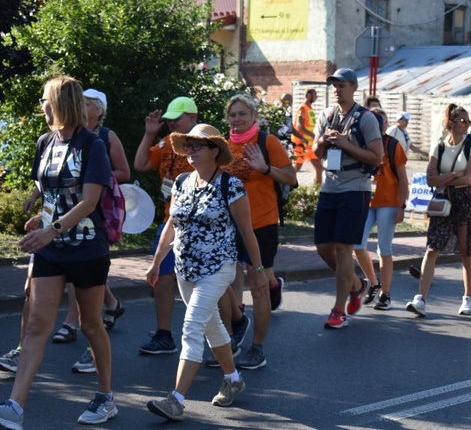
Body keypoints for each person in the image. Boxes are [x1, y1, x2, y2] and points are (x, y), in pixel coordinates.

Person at [0, 76, 117, 429]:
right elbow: (54, 195)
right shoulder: (44, 142)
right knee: (36, 324)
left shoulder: (91, 145)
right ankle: (14, 407)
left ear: (60, 103)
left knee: (91, 324)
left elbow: (90, 200)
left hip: (86, 249)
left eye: (45, 99)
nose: (41, 105)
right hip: (52, 248)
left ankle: (105, 396)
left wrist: (52, 229)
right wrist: (43, 218)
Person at [145, 124, 260, 421]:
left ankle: (176, 399)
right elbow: (171, 225)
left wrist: (257, 270)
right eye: (189, 145)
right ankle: (233, 380)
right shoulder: (182, 181)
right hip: (185, 267)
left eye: (198, 145)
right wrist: (157, 262)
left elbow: (247, 230)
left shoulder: (230, 185)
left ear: (213, 151)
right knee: (212, 327)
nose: (191, 150)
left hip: (219, 267)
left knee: (192, 327)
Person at [48, 88, 131, 374]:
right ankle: (91, 314)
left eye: (86, 103)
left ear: (98, 109)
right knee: (77, 276)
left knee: (85, 274)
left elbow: (124, 171)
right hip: (63, 220)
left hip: (95, 215)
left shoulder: (104, 137)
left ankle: (86, 337)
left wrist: (94, 178)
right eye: (79, 102)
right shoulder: (62, 137)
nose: (80, 106)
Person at [221, 93, 297, 369]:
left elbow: (291, 177)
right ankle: (234, 329)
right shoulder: (223, 145)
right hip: (229, 225)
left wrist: (265, 169)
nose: (237, 119)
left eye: (243, 114)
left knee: (258, 286)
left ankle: (257, 348)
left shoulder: (267, 142)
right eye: (233, 115)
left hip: (261, 224)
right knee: (224, 283)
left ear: (253, 116)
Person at [312, 68, 384, 329]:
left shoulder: (366, 118)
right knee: (323, 247)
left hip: (356, 189)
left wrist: (345, 143)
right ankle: (356, 284)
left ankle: (337, 310)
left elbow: (377, 157)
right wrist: (323, 140)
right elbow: (315, 152)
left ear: (354, 87)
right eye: (334, 85)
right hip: (329, 188)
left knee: (344, 249)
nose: (336, 89)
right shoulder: (326, 115)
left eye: (341, 85)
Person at [133, 96, 198, 354]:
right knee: (161, 275)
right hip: (170, 220)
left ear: (192, 117)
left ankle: (230, 327)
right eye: (169, 119)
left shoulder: (205, 143)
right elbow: (140, 165)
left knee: (204, 280)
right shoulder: (164, 144)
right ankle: (164, 334)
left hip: (199, 224)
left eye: (177, 119)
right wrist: (149, 134)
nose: (172, 124)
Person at [405, 104, 471, 317]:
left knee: (465, 251)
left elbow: (468, 178)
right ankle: (420, 299)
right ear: (451, 123)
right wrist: (451, 176)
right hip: (443, 202)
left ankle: (468, 299)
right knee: (432, 248)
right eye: (463, 121)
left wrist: (443, 178)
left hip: (464, 203)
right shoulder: (439, 146)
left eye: (469, 121)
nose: (467, 124)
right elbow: (430, 179)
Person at [353, 108, 409, 311]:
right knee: (357, 245)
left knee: (384, 249)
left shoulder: (393, 144)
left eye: (382, 121)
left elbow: (403, 178)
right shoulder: (360, 143)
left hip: (388, 201)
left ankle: (385, 294)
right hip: (366, 201)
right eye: (375, 121)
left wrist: (402, 205)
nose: (379, 125)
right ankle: (373, 283)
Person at [291, 89, 323, 185]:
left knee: (319, 167)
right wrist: (312, 135)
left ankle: (316, 191)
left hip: (310, 145)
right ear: (308, 95)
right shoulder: (303, 108)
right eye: (314, 95)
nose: (316, 97)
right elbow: (299, 126)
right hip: (301, 144)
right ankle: (283, 184)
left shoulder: (309, 108)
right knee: (297, 167)